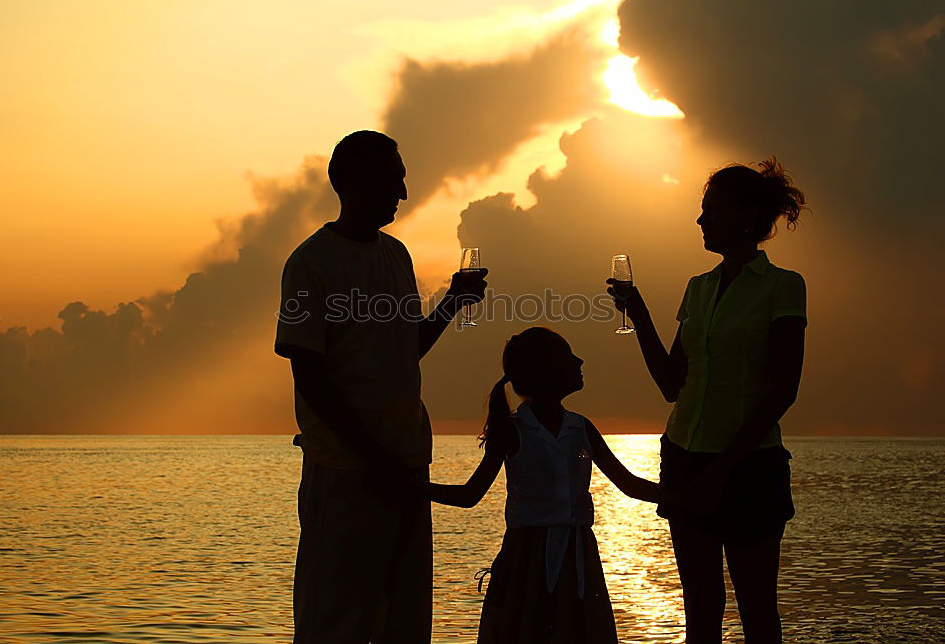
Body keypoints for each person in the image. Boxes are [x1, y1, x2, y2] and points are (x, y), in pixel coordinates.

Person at [274, 130, 488, 644]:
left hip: (405, 467)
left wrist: (452, 303)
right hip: (347, 472)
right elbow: (310, 375)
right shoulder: (309, 263)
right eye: (395, 179)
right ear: (352, 180)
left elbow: (402, 349)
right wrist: (375, 458)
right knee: (337, 620)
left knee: (405, 621)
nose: (404, 193)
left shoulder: (396, 255)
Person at [608, 158, 807, 644]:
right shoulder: (698, 289)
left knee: (757, 609)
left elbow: (783, 389)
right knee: (700, 608)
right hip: (684, 459)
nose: (701, 221)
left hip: (750, 468)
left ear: (745, 215)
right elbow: (671, 383)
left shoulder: (784, 286)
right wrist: (637, 314)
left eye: (710, 210)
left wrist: (721, 473)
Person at [427, 326, 660, 644]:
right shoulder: (514, 431)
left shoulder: (581, 427)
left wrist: (682, 495)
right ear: (544, 371)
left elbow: (630, 485)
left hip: (578, 557)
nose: (579, 361)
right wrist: (414, 487)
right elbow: (470, 494)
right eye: (567, 357)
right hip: (527, 559)